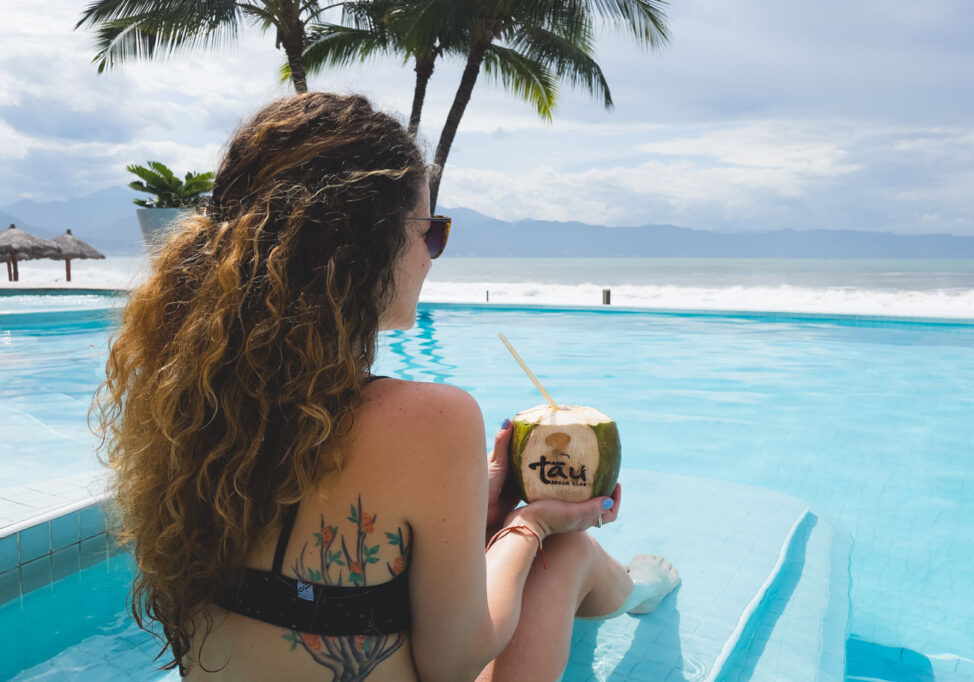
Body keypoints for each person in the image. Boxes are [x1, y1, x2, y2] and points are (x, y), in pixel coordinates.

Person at [93, 92, 679, 682]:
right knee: (566, 554)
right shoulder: (432, 419)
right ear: (365, 245)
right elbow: (454, 663)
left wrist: (473, 505)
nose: (431, 256)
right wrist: (534, 525)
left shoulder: (185, 393)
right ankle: (639, 589)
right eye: (431, 231)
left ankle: (632, 585)